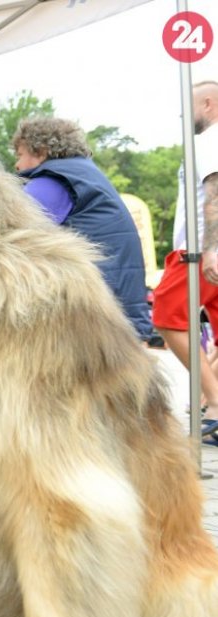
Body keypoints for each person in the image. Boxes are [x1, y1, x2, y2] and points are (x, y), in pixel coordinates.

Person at [13, 117, 152, 343]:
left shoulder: (54, 180)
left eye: (20, 154)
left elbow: (10, 233)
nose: (17, 165)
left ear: (41, 150)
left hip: (95, 312)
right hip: (120, 306)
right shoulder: (86, 175)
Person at [157, 80, 218, 431]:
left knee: (167, 319)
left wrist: (209, 249)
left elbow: (214, 191)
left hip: (198, 251)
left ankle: (214, 402)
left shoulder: (208, 141)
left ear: (207, 104)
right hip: (203, 248)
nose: (183, 116)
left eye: (187, 107)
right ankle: (209, 399)